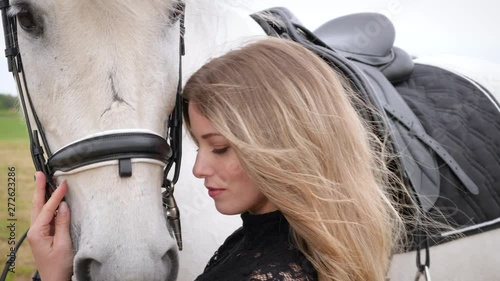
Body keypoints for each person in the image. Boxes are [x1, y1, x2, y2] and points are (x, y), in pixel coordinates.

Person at [28, 37, 405, 281]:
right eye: (198, 148)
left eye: (220, 148)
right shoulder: (279, 244)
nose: (198, 169)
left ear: (284, 146)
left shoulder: (263, 272)